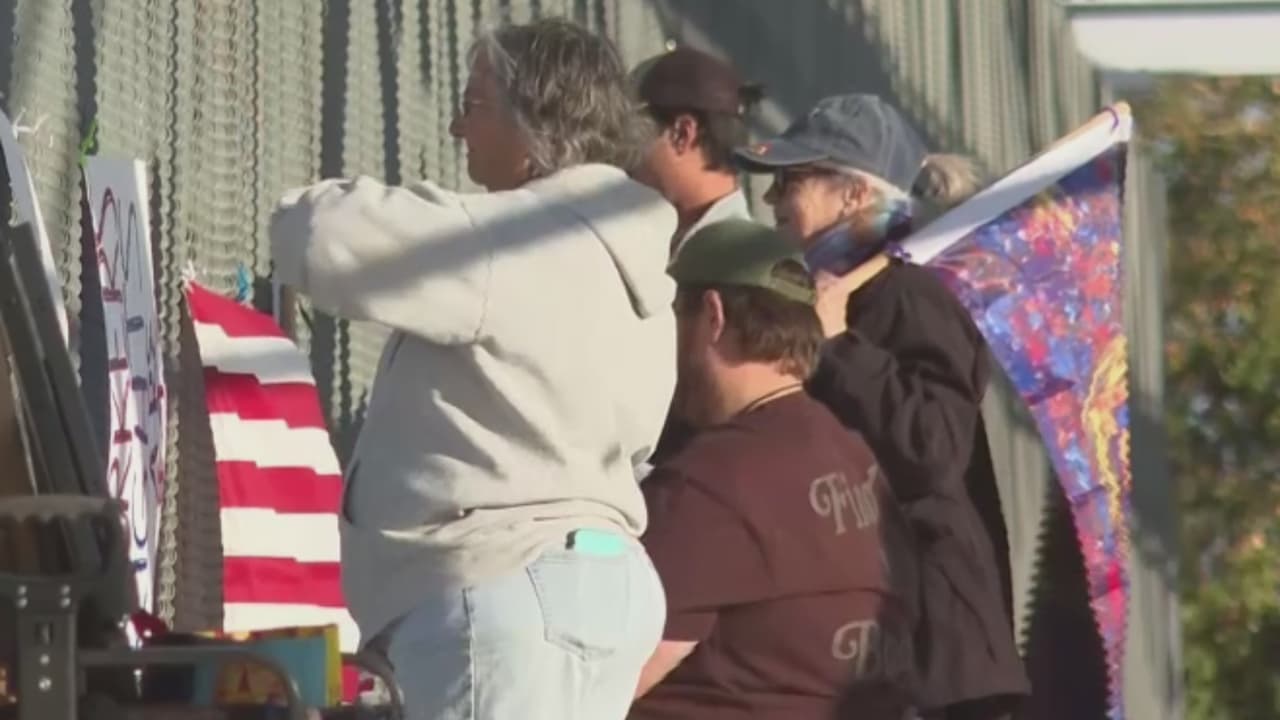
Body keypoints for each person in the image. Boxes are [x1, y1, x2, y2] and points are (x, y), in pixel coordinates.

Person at [270, 18, 674, 720]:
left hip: (502, 587)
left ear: (536, 124)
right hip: (600, 586)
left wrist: (318, 204)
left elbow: (318, 237)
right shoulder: (637, 260)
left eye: (476, 103)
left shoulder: (513, 241)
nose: (459, 128)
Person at [734, 94, 1030, 720]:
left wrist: (838, 346)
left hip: (938, 667)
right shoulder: (835, 292)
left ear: (852, 196)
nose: (771, 202)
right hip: (882, 652)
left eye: (789, 181)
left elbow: (936, 447)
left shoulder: (910, 294)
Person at [630, 218, 919, 720]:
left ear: (713, 316)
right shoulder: (853, 455)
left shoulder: (713, 481)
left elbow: (601, 675)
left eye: (676, 314)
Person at [630, 46, 762, 254]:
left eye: (630, 132)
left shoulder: (736, 262)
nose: (622, 153)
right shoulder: (668, 238)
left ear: (681, 134)